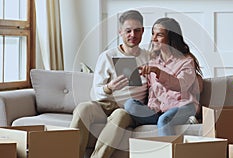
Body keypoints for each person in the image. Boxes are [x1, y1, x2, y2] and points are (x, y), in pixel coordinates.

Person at [70, 10, 149, 158]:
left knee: (120, 114)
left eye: (137, 30)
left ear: (143, 31)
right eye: (128, 31)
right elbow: (96, 91)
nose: (133, 35)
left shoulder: (148, 57)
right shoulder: (107, 56)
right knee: (83, 108)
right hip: (106, 104)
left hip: (129, 108)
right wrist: (109, 88)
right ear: (120, 32)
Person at [124, 17, 201, 136]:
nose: (153, 39)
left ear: (171, 37)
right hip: (162, 111)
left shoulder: (186, 61)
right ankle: (172, 122)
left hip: (185, 107)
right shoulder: (153, 62)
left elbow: (180, 85)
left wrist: (158, 72)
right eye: (153, 34)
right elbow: (153, 93)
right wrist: (152, 108)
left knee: (164, 120)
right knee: (130, 105)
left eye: (159, 35)